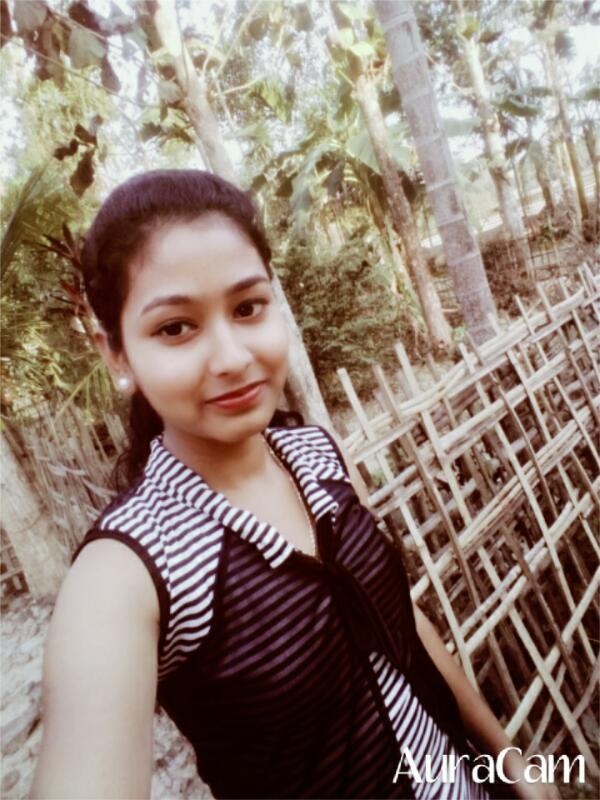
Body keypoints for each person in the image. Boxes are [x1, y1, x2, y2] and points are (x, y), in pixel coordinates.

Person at [31, 170, 556, 800]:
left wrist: (509, 761)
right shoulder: (128, 575)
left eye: (247, 308)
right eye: (175, 327)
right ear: (115, 352)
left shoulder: (318, 456)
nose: (232, 357)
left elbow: (397, 619)